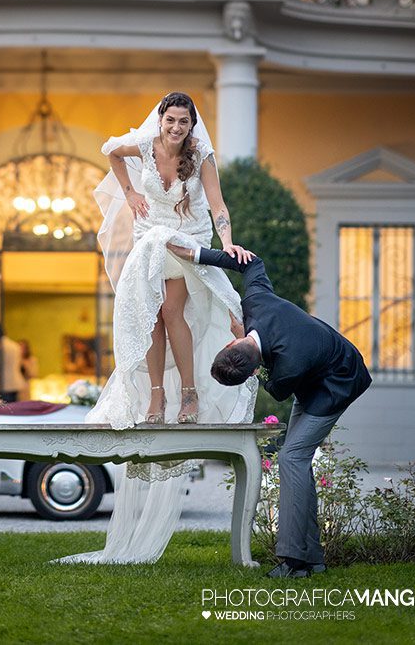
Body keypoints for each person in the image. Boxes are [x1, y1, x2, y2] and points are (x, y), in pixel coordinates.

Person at [56, 92, 257, 566]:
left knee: (171, 310)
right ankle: (154, 396)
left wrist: (227, 243)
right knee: (147, 313)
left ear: (191, 124)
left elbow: (218, 205)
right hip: (150, 235)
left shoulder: (201, 155)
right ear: (161, 120)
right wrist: (129, 192)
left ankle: (188, 393)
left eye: (184, 121)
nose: (176, 128)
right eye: (171, 120)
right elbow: (110, 149)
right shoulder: (144, 145)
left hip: (185, 238)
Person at [169, 243, 372, 578]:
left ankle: (293, 562)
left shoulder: (289, 365)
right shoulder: (256, 302)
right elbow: (252, 264)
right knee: (296, 462)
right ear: (232, 343)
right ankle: (313, 559)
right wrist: (199, 255)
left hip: (339, 382)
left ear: (243, 357)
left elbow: (278, 390)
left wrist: (260, 372)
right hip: (314, 374)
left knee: (291, 458)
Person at [0, 323, 26, 403]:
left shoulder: (0, 347)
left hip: (5, 383)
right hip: (16, 380)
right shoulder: (15, 345)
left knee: (7, 407)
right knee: (14, 405)